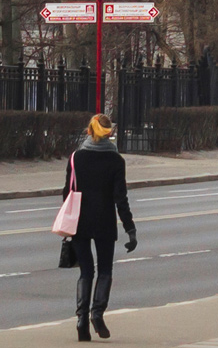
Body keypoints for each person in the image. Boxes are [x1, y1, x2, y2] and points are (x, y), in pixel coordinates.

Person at [63, 114, 136, 342]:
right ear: (110, 133)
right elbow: (120, 199)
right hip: (104, 222)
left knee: (86, 271)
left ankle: (81, 321)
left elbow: (67, 193)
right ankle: (97, 314)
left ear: (89, 131)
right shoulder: (116, 161)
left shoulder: (76, 158)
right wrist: (130, 229)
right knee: (105, 270)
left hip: (79, 223)